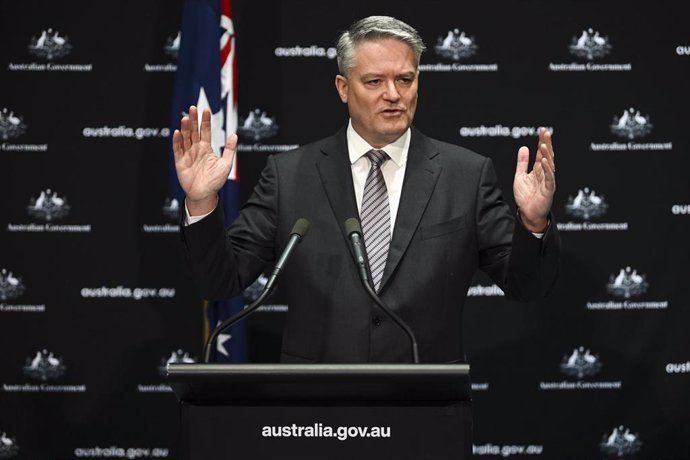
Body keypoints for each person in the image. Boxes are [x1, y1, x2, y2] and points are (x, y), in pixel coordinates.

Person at [173, 16, 559, 363]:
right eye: (374, 81)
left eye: (404, 79)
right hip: (318, 407)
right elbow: (219, 282)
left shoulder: (466, 175)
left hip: (426, 407)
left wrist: (534, 221)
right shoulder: (290, 176)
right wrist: (203, 201)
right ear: (343, 87)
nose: (393, 94)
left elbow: (528, 286)